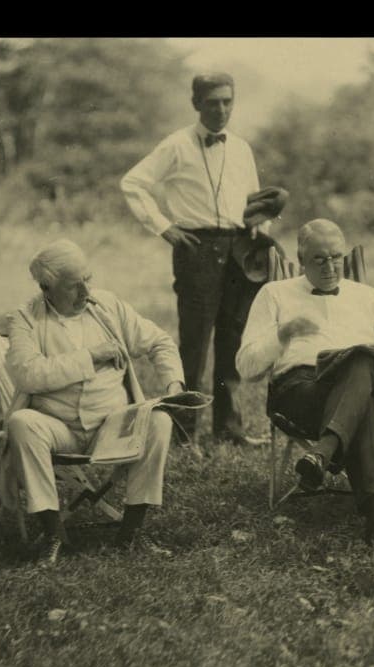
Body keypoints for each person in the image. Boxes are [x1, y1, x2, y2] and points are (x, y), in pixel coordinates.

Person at [236, 219, 374, 549]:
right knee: (359, 391)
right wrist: (283, 334)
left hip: (358, 387)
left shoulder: (368, 296)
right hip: (300, 392)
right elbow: (246, 368)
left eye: (337, 257)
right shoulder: (274, 294)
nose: (331, 266)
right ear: (300, 259)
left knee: (361, 361)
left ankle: (323, 452)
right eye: (319, 259)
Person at [0, 239, 186, 556]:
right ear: (47, 288)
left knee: (159, 421)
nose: (86, 293)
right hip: (59, 429)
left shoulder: (108, 306)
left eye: (88, 279)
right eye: (74, 286)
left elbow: (160, 342)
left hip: (111, 426)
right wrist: (91, 356)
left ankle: (131, 533)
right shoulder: (25, 318)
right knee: (21, 423)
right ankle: (53, 534)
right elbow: (28, 374)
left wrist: (173, 386)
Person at [121, 72, 270, 446]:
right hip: (196, 249)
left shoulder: (240, 148)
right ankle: (183, 433)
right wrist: (163, 227)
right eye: (212, 102)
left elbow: (252, 200)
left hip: (239, 250)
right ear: (196, 104)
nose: (221, 109)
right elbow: (133, 183)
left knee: (232, 340)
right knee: (194, 344)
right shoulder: (176, 145)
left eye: (227, 101)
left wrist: (258, 225)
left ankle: (229, 429)